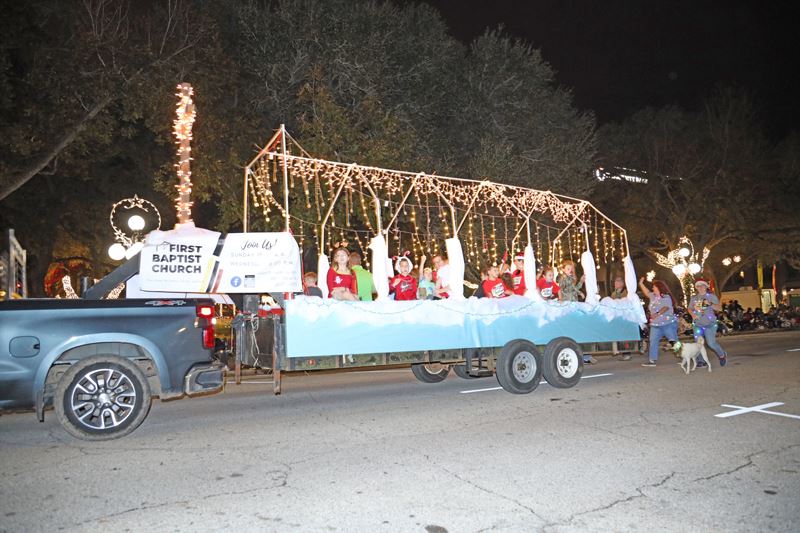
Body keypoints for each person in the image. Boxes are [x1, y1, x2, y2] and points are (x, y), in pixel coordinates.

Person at [638, 277, 678, 367]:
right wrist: (641, 284)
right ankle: (652, 360)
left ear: (659, 288)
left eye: (654, 287)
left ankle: (684, 356)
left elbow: (666, 307)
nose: (652, 288)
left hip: (668, 324)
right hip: (655, 325)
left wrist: (657, 313)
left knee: (674, 342)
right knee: (653, 341)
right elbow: (646, 292)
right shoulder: (653, 296)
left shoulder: (666, 297)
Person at [688, 279, 728, 367]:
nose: (700, 287)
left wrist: (710, 304)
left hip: (710, 324)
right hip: (697, 324)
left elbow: (719, 308)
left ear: (706, 287)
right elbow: (690, 308)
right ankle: (701, 361)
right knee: (698, 344)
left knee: (711, 343)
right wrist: (693, 315)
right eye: (698, 286)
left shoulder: (711, 297)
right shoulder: (694, 298)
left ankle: (722, 355)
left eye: (702, 285)